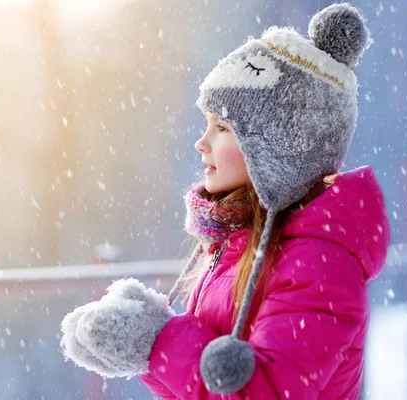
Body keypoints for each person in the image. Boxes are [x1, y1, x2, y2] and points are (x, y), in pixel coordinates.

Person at [60, 3, 390, 399]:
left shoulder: (318, 264)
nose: (202, 144)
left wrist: (159, 341)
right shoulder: (239, 242)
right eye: (206, 125)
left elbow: (262, 391)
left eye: (221, 127)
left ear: (276, 149)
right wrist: (141, 342)